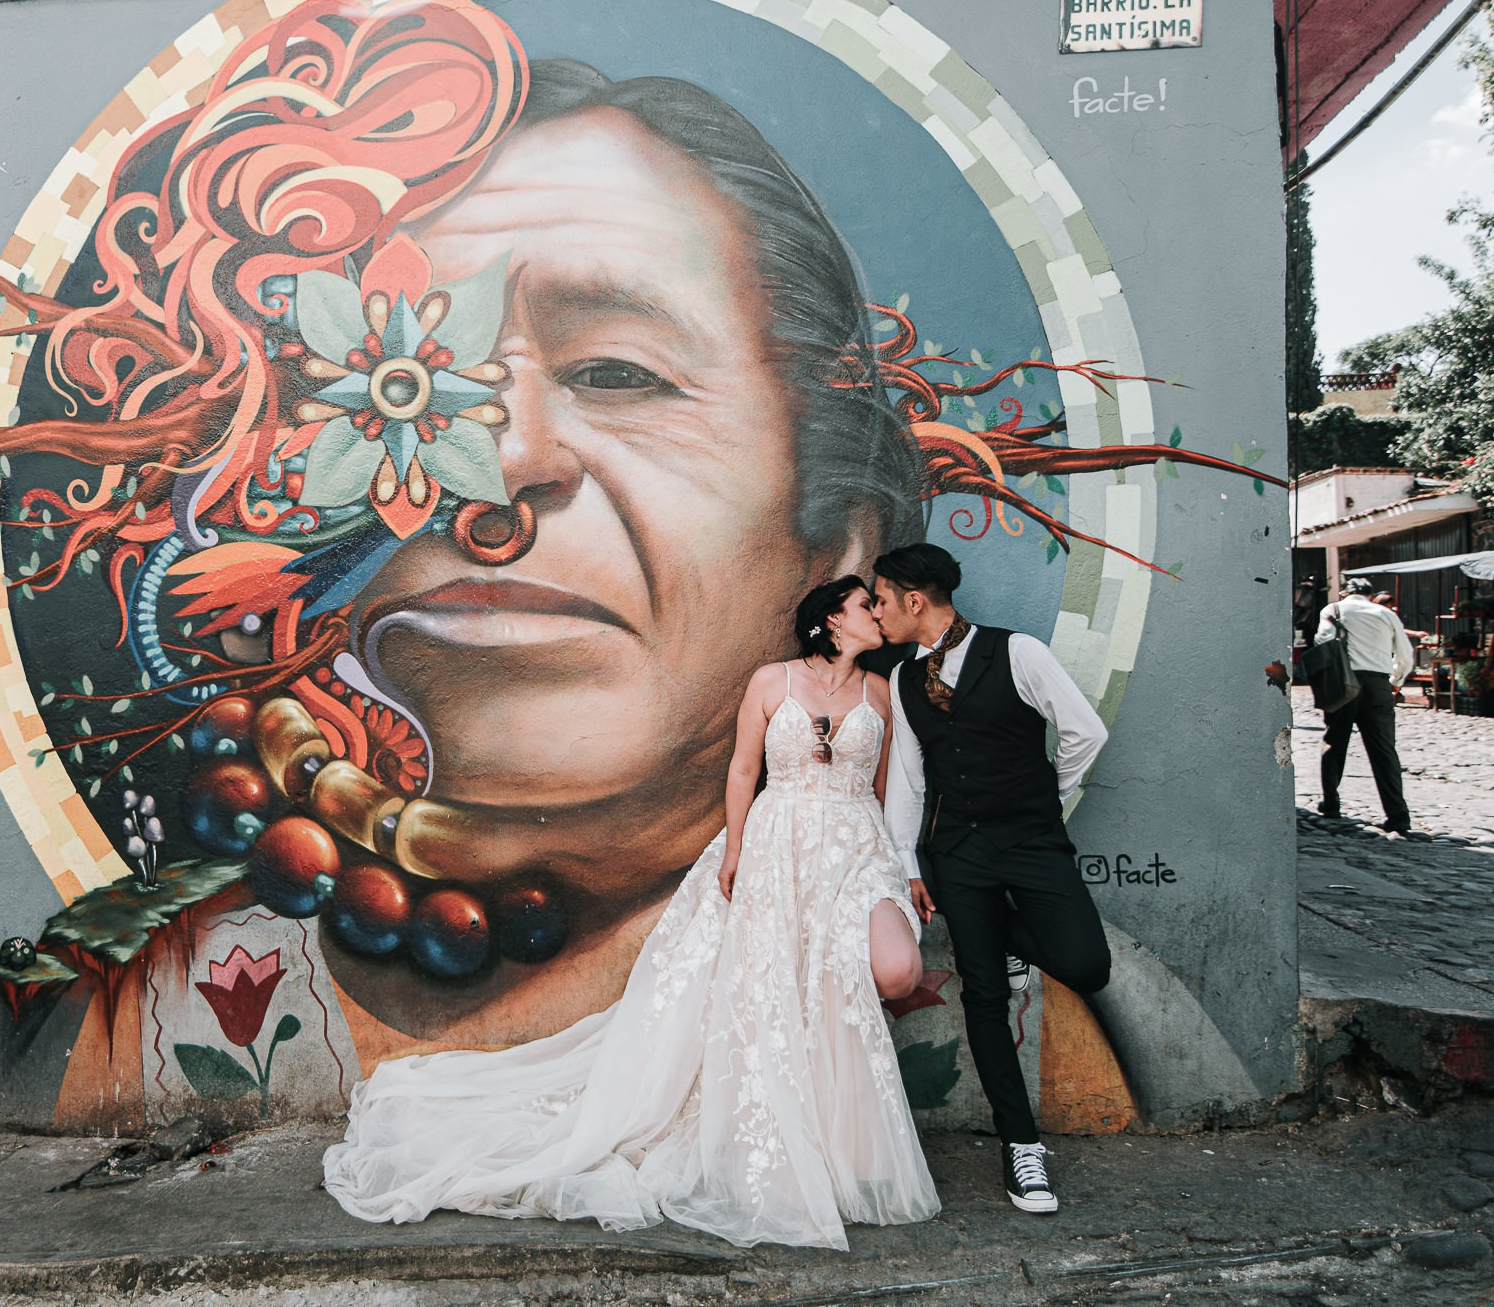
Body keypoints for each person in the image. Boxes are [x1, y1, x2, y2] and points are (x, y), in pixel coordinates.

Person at [331, 61, 925, 1052]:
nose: (501, 461)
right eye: (418, 386)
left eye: (615, 371)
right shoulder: (155, 999)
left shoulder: (1063, 1035)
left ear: (834, 538)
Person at [323, 578, 939, 1248]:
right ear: (830, 620)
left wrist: (899, 868)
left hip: (854, 855)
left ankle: (841, 1139)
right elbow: (742, 769)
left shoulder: (882, 693)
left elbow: (889, 791)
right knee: (773, 988)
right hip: (776, 845)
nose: (877, 613)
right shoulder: (772, 680)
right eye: (864, 605)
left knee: (862, 977)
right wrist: (735, 848)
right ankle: (791, 1141)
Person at [870, 542, 1112, 1215]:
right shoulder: (903, 678)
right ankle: (1022, 1147)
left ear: (915, 600)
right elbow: (911, 782)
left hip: (1032, 841)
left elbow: (1084, 733)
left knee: (1086, 963)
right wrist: (911, 865)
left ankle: (1009, 939)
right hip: (959, 854)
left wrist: (1044, 799)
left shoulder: (1018, 652)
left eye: (882, 599)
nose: (878, 612)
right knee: (984, 996)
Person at [1312, 577, 1414, 834]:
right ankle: (1398, 815)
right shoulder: (1385, 614)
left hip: (1344, 682)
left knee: (1335, 742)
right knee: (1384, 750)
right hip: (1379, 684)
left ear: (1346, 593)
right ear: (1370, 595)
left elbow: (1323, 642)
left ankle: (1331, 803)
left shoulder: (1334, 609)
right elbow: (1404, 654)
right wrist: (1395, 680)